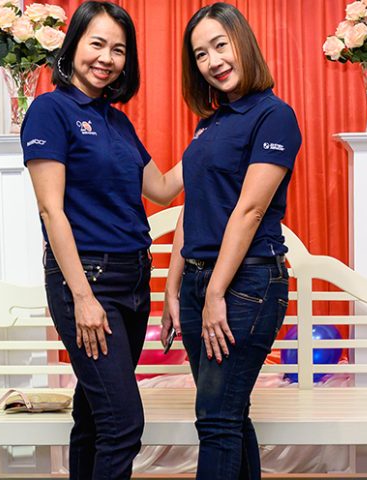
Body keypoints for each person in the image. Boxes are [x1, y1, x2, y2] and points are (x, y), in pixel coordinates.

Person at [20, 2, 181, 478]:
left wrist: (213, 140)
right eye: (97, 44)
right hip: (89, 280)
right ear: (73, 46)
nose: (107, 58)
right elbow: (51, 210)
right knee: (123, 425)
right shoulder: (50, 110)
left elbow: (162, 188)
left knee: (94, 416)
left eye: (118, 49)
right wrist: (83, 297)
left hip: (134, 278)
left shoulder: (117, 121)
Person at [160, 3, 302, 479]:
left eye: (220, 45)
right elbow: (190, 206)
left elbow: (250, 211)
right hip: (199, 283)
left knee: (217, 420)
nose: (213, 61)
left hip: (246, 286)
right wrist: (173, 288)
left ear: (242, 43)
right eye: (201, 54)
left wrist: (216, 292)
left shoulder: (274, 116)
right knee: (229, 417)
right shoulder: (209, 124)